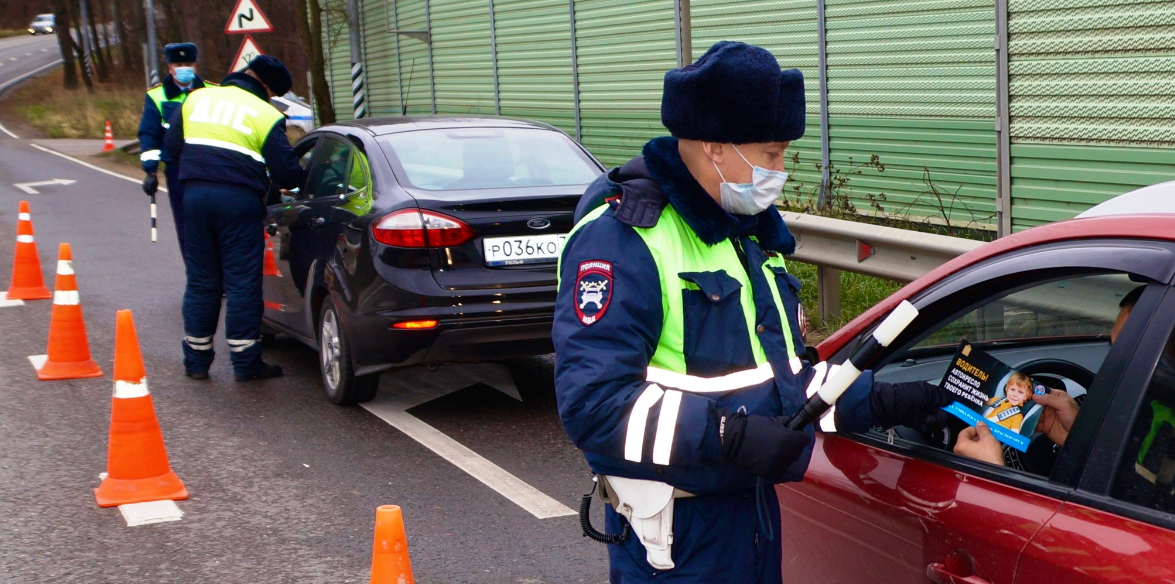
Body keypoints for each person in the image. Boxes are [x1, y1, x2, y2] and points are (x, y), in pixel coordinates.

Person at [553, 41, 951, 583]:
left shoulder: (742, 237)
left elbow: (778, 385)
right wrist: (724, 436)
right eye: (771, 153)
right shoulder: (624, 241)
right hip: (675, 537)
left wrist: (886, 400)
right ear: (717, 147)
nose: (780, 170)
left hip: (751, 516)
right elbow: (595, 405)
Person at [162, 56, 307, 381]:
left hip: (195, 199)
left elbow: (169, 151)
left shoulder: (196, 98)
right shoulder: (266, 114)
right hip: (239, 202)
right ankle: (245, 363)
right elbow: (287, 172)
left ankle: (197, 361)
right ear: (267, 88)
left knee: (201, 280)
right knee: (241, 281)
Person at [139, 42, 210, 257]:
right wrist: (150, 171)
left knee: (213, 223)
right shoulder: (156, 96)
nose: (184, 68)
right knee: (186, 224)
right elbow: (149, 135)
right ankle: (198, 278)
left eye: (188, 63)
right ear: (169, 67)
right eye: (178, 64)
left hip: (211, 166)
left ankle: (221, 277)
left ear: (196, 65)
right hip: (177, 169)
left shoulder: (212, 92)